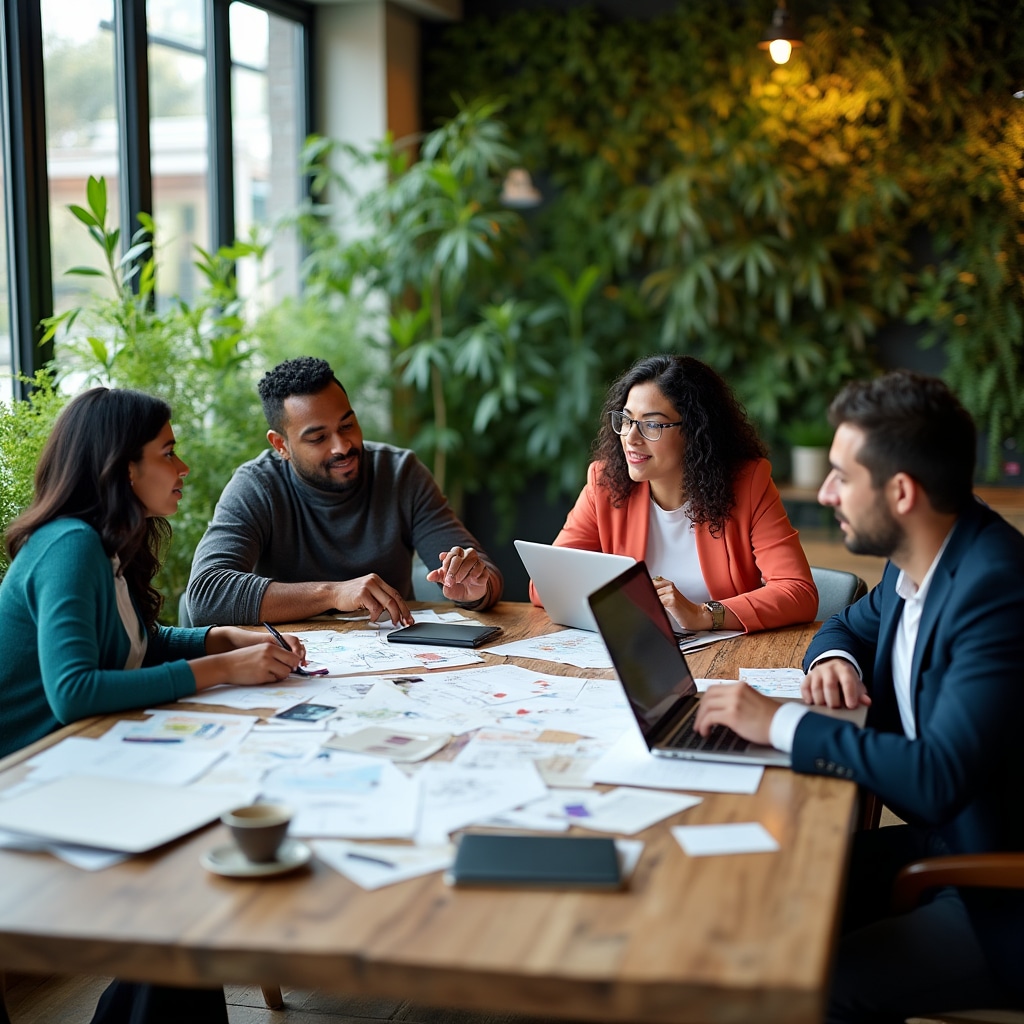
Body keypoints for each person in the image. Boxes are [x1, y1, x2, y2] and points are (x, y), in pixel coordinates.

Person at [694, 371, 1024, 1022]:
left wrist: (781, 723)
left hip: (999, 888)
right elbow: (845, 626)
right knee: (754, 893)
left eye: (842, 476)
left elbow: (936, 777)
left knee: (811, 988)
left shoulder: (996, 591)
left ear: (901, 492)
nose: (825, 492)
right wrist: (836, 659)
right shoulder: (921, 556)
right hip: (949, 842)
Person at [0, 386, 308, 1022]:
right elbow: (74, 691)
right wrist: (221, 668)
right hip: (24, 782)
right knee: (194, 871)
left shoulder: (106, 544)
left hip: (77, 762)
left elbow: (136, 644)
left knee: (195, 877)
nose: (183, 466)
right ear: (123, 468)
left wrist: (220, 638)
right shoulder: (69, 546)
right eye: (168, 452)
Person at [185, 357, 503, 626]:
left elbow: (486, 576)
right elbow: (206, 595)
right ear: (281, 444)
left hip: (396, 660)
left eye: (347, 425)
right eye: (318, 438)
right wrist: (334, 594)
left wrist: (476, 588)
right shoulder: (257, 485)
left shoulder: (400, 473)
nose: (342, 446)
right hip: (291, 663)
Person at [531, 354, 817, 633]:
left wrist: (702, 614)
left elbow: (798, 592)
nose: (631, 437)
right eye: (627, 420)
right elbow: (545, 586)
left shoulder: (748, 484)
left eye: (652, 424)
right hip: (639, 648)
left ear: (696, 432)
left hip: (725, 653)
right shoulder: (605, 483)